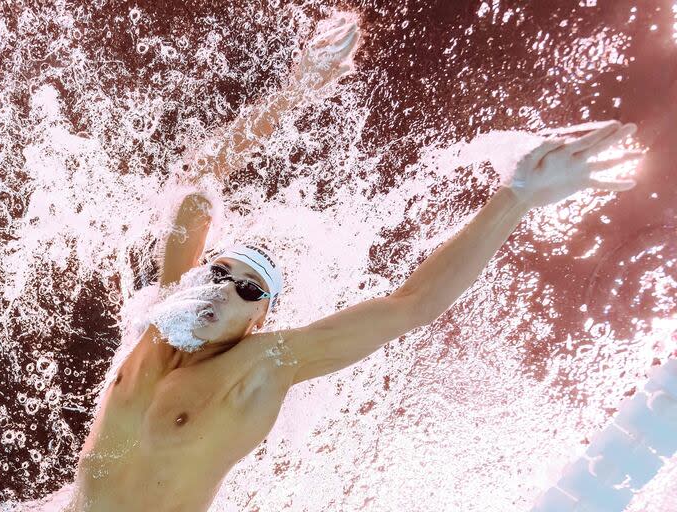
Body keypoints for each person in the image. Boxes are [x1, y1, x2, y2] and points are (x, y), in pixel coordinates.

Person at [63, 16, 643, 512]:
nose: (224, 290)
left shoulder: (264, 364)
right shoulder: (162, 313)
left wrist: (515, 198)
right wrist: (296, 90)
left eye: (247, 291)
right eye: (219, 274)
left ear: (258, 322)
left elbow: (412, 305)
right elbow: (196, 190)